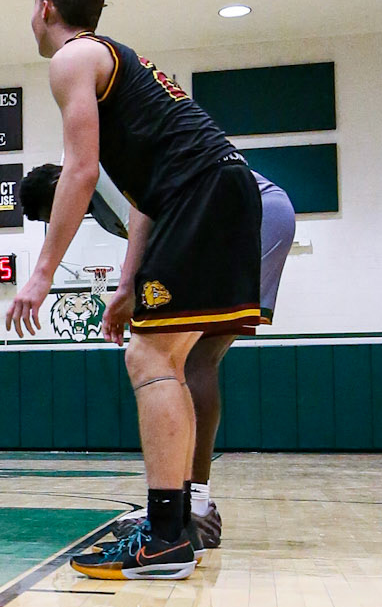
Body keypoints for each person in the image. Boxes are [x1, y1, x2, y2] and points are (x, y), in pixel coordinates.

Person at [7, 0, 261, 580]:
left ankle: (166, 539)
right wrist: (126, 286)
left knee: (150, 358)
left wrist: (41, 275)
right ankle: (174, 526)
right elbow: (143, 197)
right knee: (165, 357)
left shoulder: (72, 58)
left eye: (33, 9)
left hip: (202, 192)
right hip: (217, 188)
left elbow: (80, 171)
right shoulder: (120, 63)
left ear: (46, 9)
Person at [19, 158, 295, 549]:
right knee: (193, 354)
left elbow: (149, 222)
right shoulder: (103, 192)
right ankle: (188, 502)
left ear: (60, 190)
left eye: (59, 212)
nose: (70, 220)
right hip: (256, 212)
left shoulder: (99, 168)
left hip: (242, 213)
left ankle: (193, 506)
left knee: (188, 358)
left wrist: (127, 290)